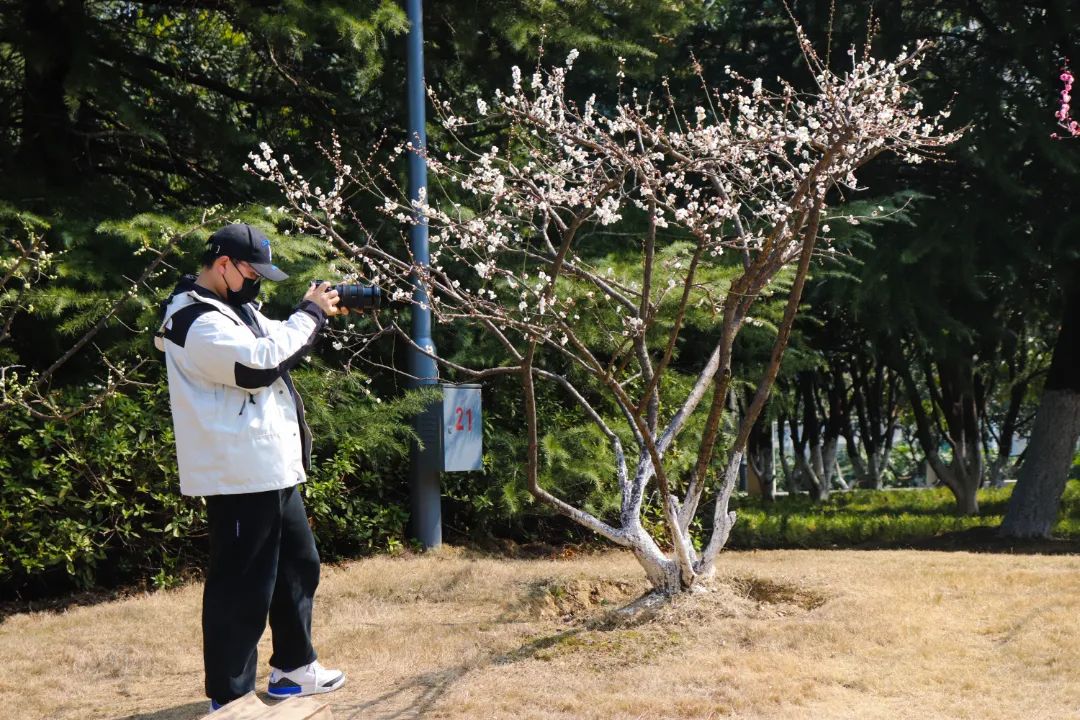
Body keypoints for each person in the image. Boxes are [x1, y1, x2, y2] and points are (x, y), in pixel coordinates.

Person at [154, 223, 348, 712]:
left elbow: (278, 342)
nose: (258, 281)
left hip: (269, 467)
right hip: (236, 473)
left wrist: (313, 316)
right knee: (240, 588)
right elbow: (257, 366)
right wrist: (309, 314)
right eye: (252, 271)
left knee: (298, 568)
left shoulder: (232, 308)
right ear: (223, 265)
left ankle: (294, 670)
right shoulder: (192, 320)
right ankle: (231, 697)